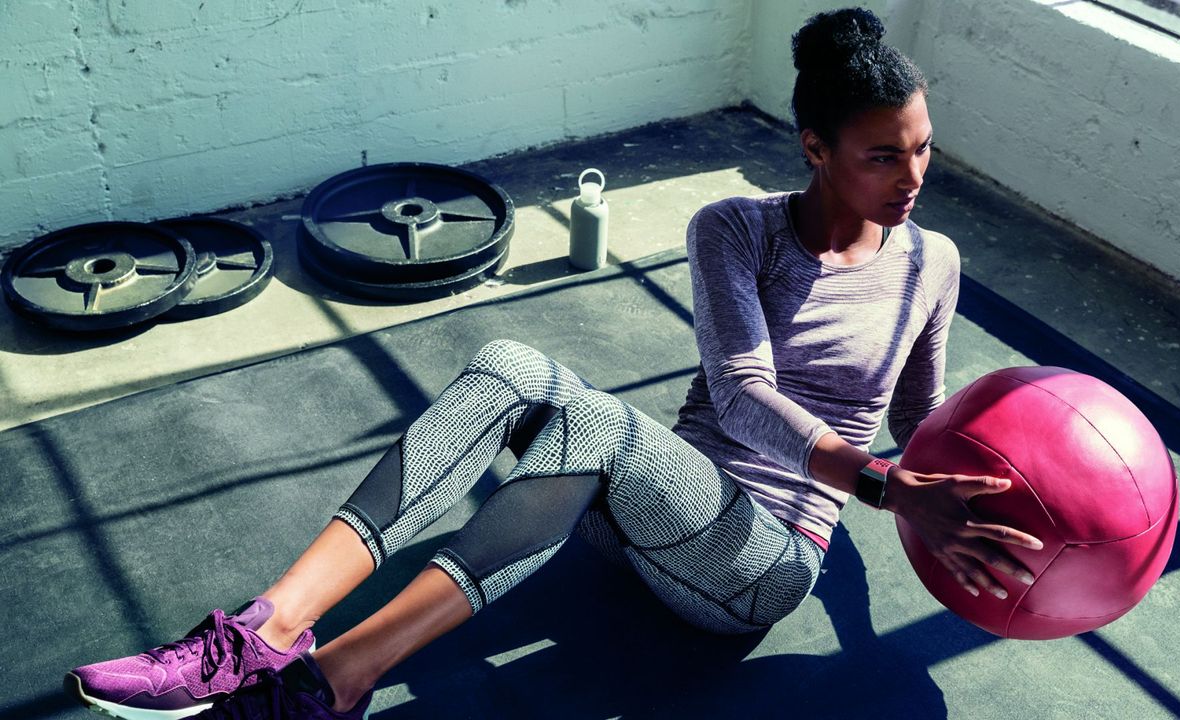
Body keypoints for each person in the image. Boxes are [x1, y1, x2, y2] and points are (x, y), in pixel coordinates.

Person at [64, 8, 1043, 719]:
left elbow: (923, 421)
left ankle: (333, 683)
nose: (912, 178)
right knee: (506, 360)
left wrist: (973, 498)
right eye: (882, 156)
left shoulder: (932, 262)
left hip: (759, 562)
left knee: (594, 423)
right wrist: (881, 483)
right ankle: (266, 632)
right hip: (641, 516)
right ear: (815, 149)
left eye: (922, 149)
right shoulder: (732, 230)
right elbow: (742, 399)